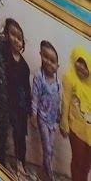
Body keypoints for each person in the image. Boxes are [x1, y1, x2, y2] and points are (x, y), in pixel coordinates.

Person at [3, 17, 32, 180]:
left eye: (19, 38)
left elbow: (26, 89)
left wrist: (29, 110)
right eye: (12, 34)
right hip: (6, 101)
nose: (16, 39)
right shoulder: (3, 53)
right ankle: (5, 159)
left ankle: (21, 163)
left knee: (20, 135)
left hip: (19, 106)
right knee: (7, 132)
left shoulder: (24, 66)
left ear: (23, 44)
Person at [32, 40, 62, 181]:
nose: (49, 63)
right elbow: (35, 97)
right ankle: (50, 177)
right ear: (40, 55)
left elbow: (57, 100)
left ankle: (43, 173)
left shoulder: (57, 83)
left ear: (57, 66)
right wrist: (33, 115)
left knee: (51, 149)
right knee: (47, 149)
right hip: (42, 118)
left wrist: (59, 115)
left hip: (52, 121)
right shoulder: (39, 77)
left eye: (53, 61)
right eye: (46, 57)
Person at [60, 47, 91, 181]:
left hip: (90, 132)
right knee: (78, 162)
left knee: (86, 165)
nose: (82, 67)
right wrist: (64, 125)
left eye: (85, 65)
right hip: (76, 129)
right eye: (79, 62)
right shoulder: (69, 77)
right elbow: (65, 102)